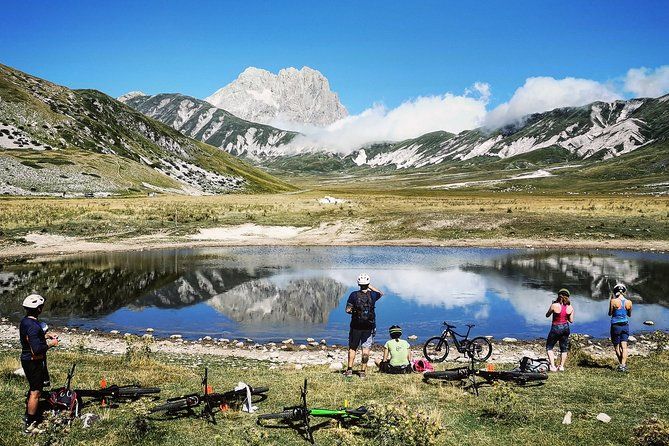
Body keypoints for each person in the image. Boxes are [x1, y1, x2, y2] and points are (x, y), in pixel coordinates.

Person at [19, 294, 58, 434]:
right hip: (33, 361)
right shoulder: (34, 327)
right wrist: (51, 344)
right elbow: (37, 350)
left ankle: (29, 415)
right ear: (39, 309)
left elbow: (30, 337)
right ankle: (30, 424)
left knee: (33, 388)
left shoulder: (25, 321)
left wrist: (46, 335)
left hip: (27, 360)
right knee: (36, 392)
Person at [344, 273, 383, 378]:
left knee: (352, 348)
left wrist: (355, 312)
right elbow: (380, 293)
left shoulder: (353, 295)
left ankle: (349, 370)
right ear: (368, 283)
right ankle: (362, 372)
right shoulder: (373, 295)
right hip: (369, 326)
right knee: (365, 349)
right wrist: (370, 286)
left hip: (356, 326)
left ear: (358, 284)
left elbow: (347, 310)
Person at [545, 288, 574, 372]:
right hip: (566, 327)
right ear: (568, 297)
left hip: (556, 327)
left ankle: (553, 366)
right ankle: (561, 366)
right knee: (564, 348)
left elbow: (547, 315)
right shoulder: (570, 307)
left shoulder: (554, 305)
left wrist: (552, 306)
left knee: (549, 347)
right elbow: (571, 321)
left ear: (558, 296)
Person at [609, 283, 632, 372]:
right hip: (625, 325)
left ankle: (621, 366)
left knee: (616, 347)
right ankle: (623, 365)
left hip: (615, 325)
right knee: (624, 346)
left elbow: (610, 313)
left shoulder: (613, 301)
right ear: (624, 291)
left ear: (615, 292)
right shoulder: (629, 302)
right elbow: (629, 315)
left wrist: (611, 302)